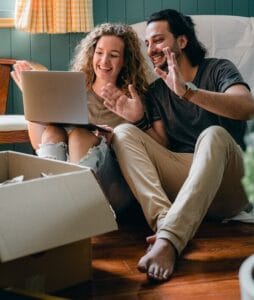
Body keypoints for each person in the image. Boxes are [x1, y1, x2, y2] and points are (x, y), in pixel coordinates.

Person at [100, 9, 254, 281]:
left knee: (213, 134)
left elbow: (246, 108)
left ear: (182, 41)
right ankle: (164, 222)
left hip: (230, 185)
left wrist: (188, 92)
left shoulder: (218, 68)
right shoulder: (157, 91)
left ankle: (170, 241)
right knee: (123, 132)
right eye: (147, 43)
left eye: (158, 40)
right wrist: (138, 120)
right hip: (186, 179)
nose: (151, 49)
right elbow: (163, 147)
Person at [11, 23, 149, 214]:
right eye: (99, 52)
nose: (104, 60)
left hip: (114, 186)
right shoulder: (74, 91)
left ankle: (66, 210)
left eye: (114, 55)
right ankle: (56, 206)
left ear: (125, 60)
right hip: (68, 182)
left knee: (79, 136)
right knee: (52, 130)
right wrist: (32, 99)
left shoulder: (133, 99)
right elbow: (38, 144)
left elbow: (144, 152)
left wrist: (111, 139)